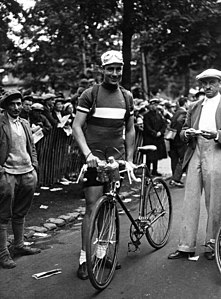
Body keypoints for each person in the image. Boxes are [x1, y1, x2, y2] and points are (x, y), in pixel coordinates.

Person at [72, 50, 135, 280]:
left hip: (114, 161)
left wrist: (128, 158)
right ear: (103, 70)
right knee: (92, 206)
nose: (115, 73)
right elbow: (77, 127)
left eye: (119, 69)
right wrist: (87, 154)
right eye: (110, 69)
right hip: (94, 160)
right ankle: (84, 259)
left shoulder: (127, 97)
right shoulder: (91, 94)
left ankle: (100, 255)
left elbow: (130, 129)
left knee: (108, 207)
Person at [168, 68, 221, 261]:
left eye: (212, 83)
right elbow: (182, 131)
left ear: (219, 84)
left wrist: (217, 134)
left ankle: (213, 245)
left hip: (216, 149)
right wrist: (187, 133)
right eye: (204, 83)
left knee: (214, 200)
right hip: (195, 149)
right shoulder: (195, 105)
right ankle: (185, 246)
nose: (207, 86)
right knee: (190, 199)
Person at [0, 90, 41, 269]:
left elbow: (31, 146)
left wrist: (34, 167)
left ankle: (19, 245)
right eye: (12, 104)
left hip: (27, 172)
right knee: (3, 214)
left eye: (19, 104)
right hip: (8, 173)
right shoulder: (1, 123)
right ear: (6, 106)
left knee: (21, 211)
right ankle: (3, 253)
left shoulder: (24, 123)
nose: (16, 107)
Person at [142, 98, 167, 176]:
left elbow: (164, 124)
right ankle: (148, 171)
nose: (154, 106)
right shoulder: (146, 115)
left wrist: (160, 132)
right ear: (150, 105)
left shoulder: (159, 115)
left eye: (156, 105)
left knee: (156, 156)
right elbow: (147, 126)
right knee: (149, 156)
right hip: (150, 138)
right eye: (153, 105)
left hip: (157, 139)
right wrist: (154, 133)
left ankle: (155, 170)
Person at [169, 96, 188, 188]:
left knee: (174, 159)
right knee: (183, 159)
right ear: (185, 103)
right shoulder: (183, 112)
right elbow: (179, 123)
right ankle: (176, 179)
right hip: (179, 139)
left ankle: (174, 178)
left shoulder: (176, 112)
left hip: (172, 139)